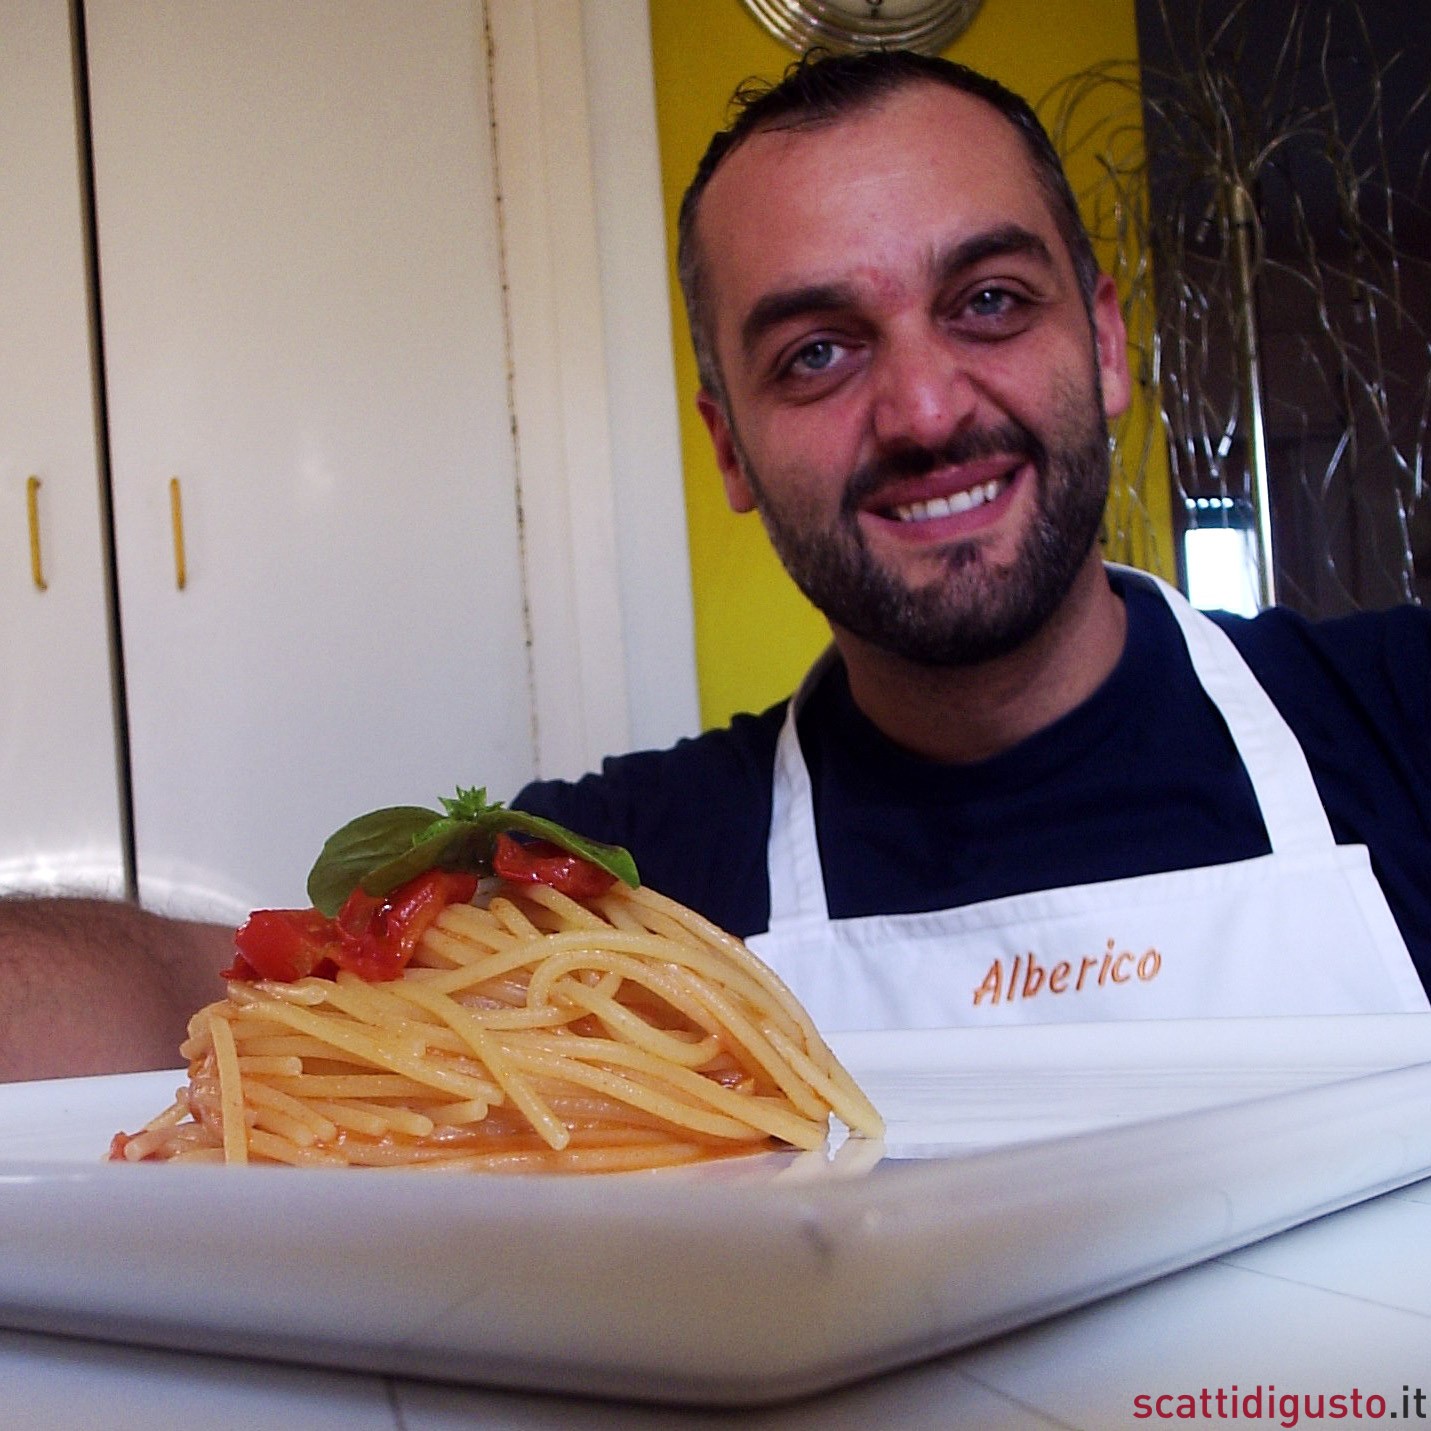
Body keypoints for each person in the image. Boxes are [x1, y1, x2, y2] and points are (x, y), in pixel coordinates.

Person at [2, 50, 1428, 1079]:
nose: (927, 410)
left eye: (990, 302)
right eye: (817, 351)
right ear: (731, 447)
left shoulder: (1400, 715)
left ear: (1108, 347)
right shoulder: (616, 883)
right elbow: (231, 1000)